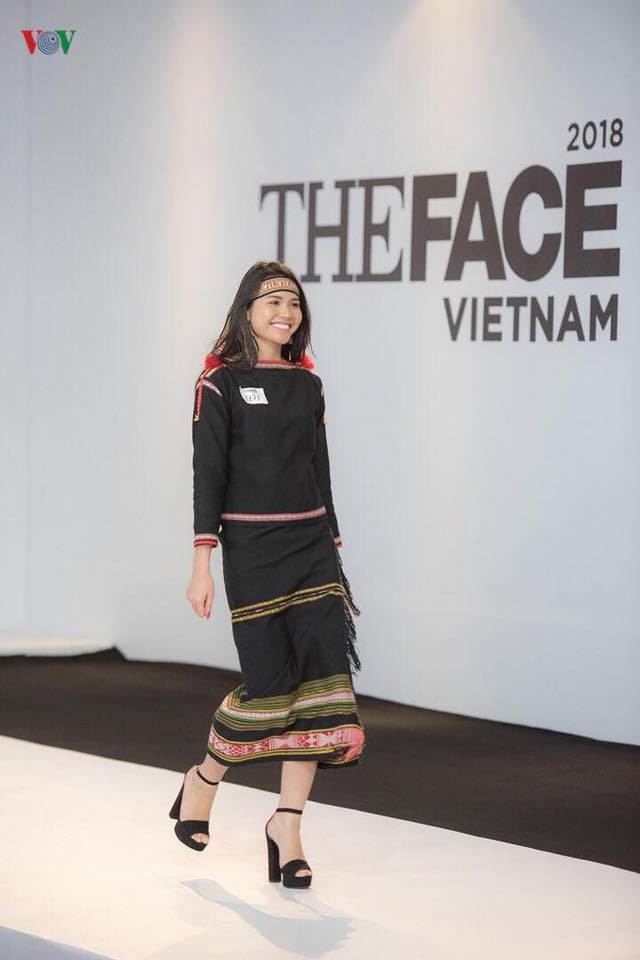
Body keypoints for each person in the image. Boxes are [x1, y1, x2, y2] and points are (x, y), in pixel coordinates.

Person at [169, 260, 365, 888]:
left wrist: (333, 546)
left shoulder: (309, 385)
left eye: (295, 303)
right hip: (252, 551)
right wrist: (202, 563)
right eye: (273, 301)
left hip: (311, 548)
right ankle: (202, 781)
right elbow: (209, 477)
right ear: (247, 310)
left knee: (322, 685)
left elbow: (320, 471)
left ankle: (288, 824)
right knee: (270, 687)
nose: (286, 313)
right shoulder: (219, 383)